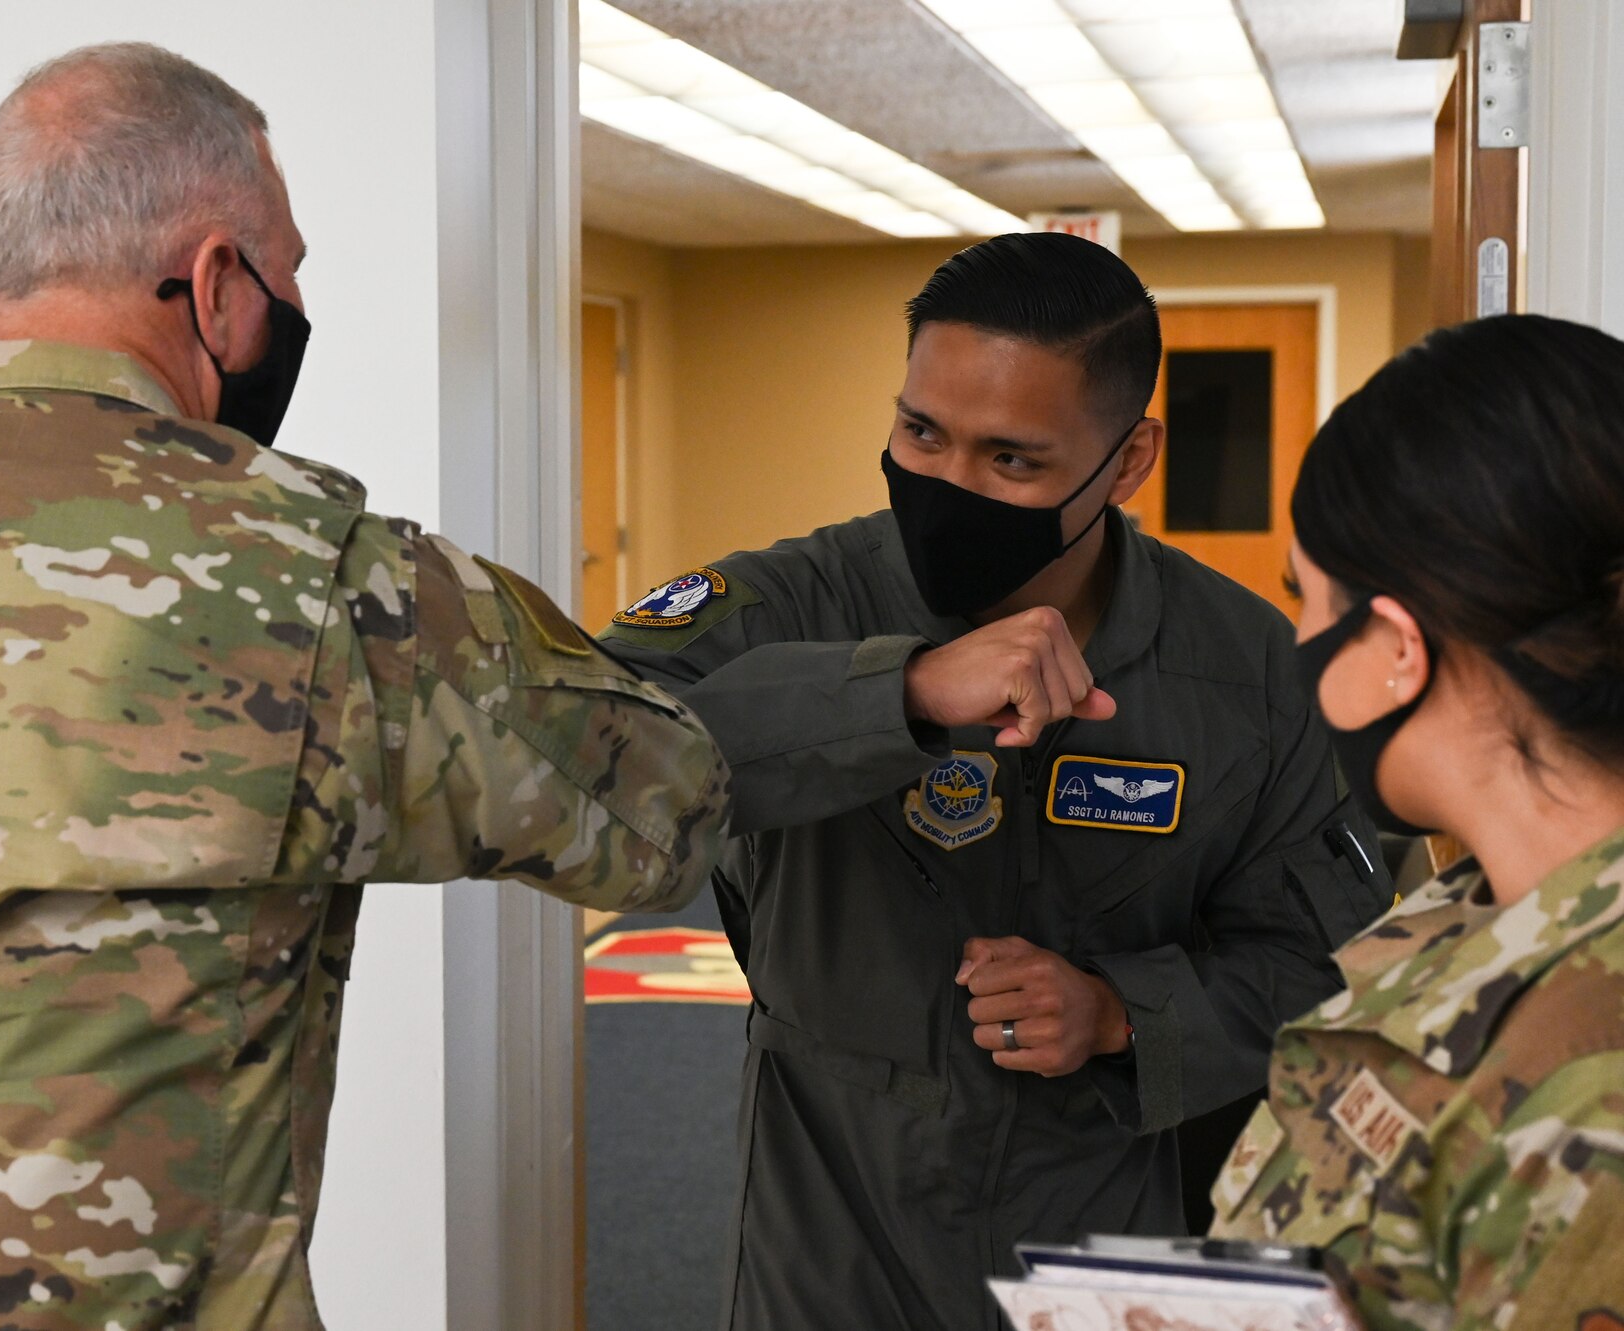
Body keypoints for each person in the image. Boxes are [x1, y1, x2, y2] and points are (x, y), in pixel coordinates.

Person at [0, 44, 730, 1330]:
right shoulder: (325, 587)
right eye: (289, 270)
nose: (292, 304)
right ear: (216, 283)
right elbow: (662, 817)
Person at [600, 233, 1392, 1330]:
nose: (948, 483)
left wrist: (1126, 1012)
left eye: (1009, 459)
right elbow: (584, 750)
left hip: (1102, 1236)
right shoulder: (793, 600)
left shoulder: (1246, 667)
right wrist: (900, 690)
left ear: (1126, 460)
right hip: (830, 1228)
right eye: (919, 431)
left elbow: (1330, 973)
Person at [1210, 314, 1624, 1324]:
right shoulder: (1466, 909)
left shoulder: (1591, 1080)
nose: (1298, 642)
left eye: (1306, 600)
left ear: (1395, 644)